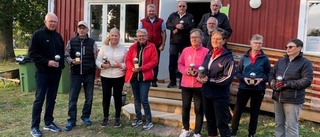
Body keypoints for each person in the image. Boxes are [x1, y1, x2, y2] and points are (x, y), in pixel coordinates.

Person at [28, 13, 65, 137]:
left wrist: (60, 67)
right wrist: (47, 62)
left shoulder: (58, 37)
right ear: (45, 22)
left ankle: (48, 122)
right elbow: (32, 53)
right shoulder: (38, 35)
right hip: (42, 73)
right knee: (39, 100)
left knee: (51, 99)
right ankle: (34, 127)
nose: (53, 23)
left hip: (55, 74)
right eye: (51, 21)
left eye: (55, 21)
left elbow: (62, 53)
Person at [269, 39, 313, 137]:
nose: (287, 49)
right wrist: (272, 82)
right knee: (278, 124)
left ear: (299, 48)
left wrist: (286, 84)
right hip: (278, 97)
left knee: (291, 126)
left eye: (290, 47)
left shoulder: (305, 63)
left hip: (293, 99)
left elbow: (307, 81)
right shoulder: (281, 61)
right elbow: (271, 73)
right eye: (286, 47)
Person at [230, 34, 271, 137]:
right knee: (238, 110)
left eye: (260, 43)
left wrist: (262, 79)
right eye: (255, 43)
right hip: (244, 87)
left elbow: (269, 74)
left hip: (258, 89)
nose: (257, 45)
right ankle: (233, 132)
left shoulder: (264, 58)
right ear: (251, 43)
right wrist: (244, 78)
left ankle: (251, 134)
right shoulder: (244, 57)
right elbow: (238, 72)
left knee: (254, 112)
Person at [196, 28, 235, 137]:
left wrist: (210, 80)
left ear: (224, 41)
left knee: (221, 123)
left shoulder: (228, 57)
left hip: (220, 96)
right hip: (206, 93)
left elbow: (228, 78)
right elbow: (202, 69)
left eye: (218, 39)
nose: (215, 41)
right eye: (213, 38)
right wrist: (198, 76)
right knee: (210, 121)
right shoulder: (209, 54)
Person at [64, 21, 98, 131]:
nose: (82, 30)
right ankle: (71, 120)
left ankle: (85, 116)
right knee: (73, 98)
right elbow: (66, 55)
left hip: (89, 74)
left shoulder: (92, 43)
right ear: (77, 30)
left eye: (84, 28)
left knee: (89, 98)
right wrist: (72, 61)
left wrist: (96, 68)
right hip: (75, 74)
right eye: (80, 28)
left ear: (88, 30)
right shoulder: (71, 41)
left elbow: (97, 57)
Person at [125, 28, 158, 130]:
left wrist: (142, 68)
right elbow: (128, 59)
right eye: (139, 36)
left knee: (144, 100)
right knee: (136, 99)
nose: (141, 37)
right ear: (137, 37)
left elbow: (154, 61)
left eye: (143, 36)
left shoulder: (151, 46)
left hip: (145, 78)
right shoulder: (132, 47)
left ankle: (149, 121)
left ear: (147, 37)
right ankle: (138, 118)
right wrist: (132, 68)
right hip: (134, 77)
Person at [178, 29, 208, 137]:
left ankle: (197, 132)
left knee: (199, 109)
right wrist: (185, 71)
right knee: (185, 107)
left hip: (199, 85)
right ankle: (185, 129)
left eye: (196, 37)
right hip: (186, 84)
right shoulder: (186, 50)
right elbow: (180, 64)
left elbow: (207, 67)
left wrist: (200, 73)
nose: (193, 39)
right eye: (192, 37)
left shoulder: (206, 51)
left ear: (201, 39)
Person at [95, 28, 127, 128]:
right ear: (109, 36)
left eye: (116, 35)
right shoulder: (104, 47)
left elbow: (127, 63)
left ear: (119, 37)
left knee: (117, 97)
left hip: (118, 76)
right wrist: (102, 66)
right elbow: (98, 60)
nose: (114, 37)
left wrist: (120, 65)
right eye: (112, 35)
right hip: (106, 76)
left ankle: (117, 118)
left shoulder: (123, 48)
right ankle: (105, 117)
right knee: (106, 97)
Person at [166, 1, 195, 88]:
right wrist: (175, 26)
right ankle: (172, 81)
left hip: (185, 44)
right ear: (177, 7)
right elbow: (167, 24)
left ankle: (182, 82)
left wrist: (182, 27)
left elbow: (192, 26)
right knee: (172, 63)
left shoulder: (190, 16)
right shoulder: (173, 15)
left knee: (184, 63)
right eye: (180, 6)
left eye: (183, 6)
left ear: (186, 7)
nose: (181, 8)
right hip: (174, 43)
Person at [139, 4, 166, 87]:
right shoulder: (142, 21)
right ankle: (146, 78)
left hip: (157, 45)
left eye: (153, 11)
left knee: (155, 63)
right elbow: (140, 33)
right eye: (150, 11)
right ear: (147, 12)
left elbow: (164, 33)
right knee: (145, 62)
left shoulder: (161, 21)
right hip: (146, 45)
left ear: (155, 11)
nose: (151, 12)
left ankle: (154, 80)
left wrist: (162, 45)